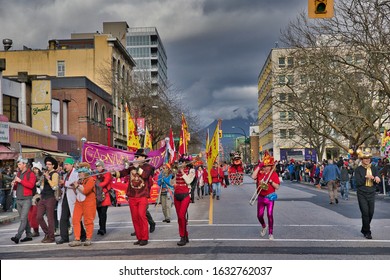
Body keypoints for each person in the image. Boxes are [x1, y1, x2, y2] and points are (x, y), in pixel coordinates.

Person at [114, 148, 155, 246]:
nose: (135, 158)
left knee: (141, 215)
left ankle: (145, 238)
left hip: (142, 195)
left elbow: (145, 176)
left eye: (137, 156)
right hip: (132, 195)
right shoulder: (131, 166)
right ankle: (139, 237)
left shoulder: (148, 167)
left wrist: (137, 167)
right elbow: (122, 173)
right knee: (135, 218)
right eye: (135, 156)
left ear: (143, 158)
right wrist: (114, 173)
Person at [56, 158, 86, 244]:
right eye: (65, 164)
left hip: (73, 197)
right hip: (65, 196)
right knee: (63, 217)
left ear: (72, 165)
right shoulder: (65, 174)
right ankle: (64, 237)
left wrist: (64, 183)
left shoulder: (76, 173)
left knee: (76, 217)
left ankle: (82, 235)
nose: (65, 166)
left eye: (67, 164)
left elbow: (75, 183)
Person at [252, 151, 280, 240]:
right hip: (260, 197)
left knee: (269, 214)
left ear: (271, 166)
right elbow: (253, 177)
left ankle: (271, 233)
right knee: (259, 215)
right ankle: (264, 226)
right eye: (265, 166)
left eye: (268, 166)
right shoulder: (260, 173)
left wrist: (271, 182)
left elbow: (277, 187)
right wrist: (259, 166)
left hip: (269, 197)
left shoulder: (274, 174)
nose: (266, 168)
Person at [69, 162, 97, 247]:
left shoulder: (91, 180)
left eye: (81, 172)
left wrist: (77, 186)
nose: (79, 174)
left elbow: (85, 191)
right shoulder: (79, 180)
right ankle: (77, 238)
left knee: (88, 220)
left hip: (89, 202)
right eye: (79, 172)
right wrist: (74, 186)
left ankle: (88, 238)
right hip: (79, 201)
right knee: (75, 219)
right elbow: (76, 192)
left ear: (85, 172)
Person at [355, 150, 381, 239]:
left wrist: (377, 178)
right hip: (362, 193)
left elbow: (377, 177)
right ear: (362, 159)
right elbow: (358, 183)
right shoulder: (358, 169)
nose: (367, 160)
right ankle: (367, 232)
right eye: (365, 158)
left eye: (368, 158)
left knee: (371, 212)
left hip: (371, 192)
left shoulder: (373, 168)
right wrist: (366, 177)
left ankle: (364, 228)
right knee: (365, 213)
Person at [10, 157, 37, 244]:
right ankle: (29, 235)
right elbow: (16, 187)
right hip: (18, 198)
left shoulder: (31, 174)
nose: (18, 166)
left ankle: (17, 236)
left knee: (23, 218)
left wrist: (20, 181)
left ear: (24, 164)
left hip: (27, 199)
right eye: (18, 164)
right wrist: (13, 184)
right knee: (24, 219)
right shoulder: (18, 173)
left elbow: (31, 185)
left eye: (19, 164)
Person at [37, 156, 59, 243]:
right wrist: (41, 180)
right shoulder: (46, 173)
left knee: (50, 218)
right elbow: (42, 186)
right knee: (38, 217)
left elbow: (54, 186)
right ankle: (47, 233)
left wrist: (48, 178)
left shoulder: (55, 174)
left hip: (51, 197)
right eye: (46, 164)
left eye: (49, 164)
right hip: (43, 197)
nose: (47, 166)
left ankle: (51, 237)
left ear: (53, 165)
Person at [173, 157, 194, 246]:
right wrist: (172, 180)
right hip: (176, 195)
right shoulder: (176, 171)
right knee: (179, 218)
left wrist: (182, 172)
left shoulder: (191, 170)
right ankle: (185, 235)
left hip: (185, 195)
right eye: (180, 162)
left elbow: (189, 180)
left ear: (186, 163)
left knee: (182, 216)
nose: (180, 164)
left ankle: (182, 237)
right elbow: (171, 182)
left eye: (182, 162)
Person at [95, 160, 113, 235]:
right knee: (99, 213)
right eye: (97, 166)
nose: (97, 168)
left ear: (102, 166)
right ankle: (101, 227)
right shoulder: (96, 174)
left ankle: (103, 228)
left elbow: (105, 182)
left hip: (104, 195)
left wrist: (96, 184)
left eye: (99, 166)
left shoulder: (107, 173)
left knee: (103, 213)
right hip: (98, 195)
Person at [29, 162, 43, 237]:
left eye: (36, 169)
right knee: (31, 214)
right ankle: (35, 230)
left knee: (36, 214)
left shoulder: (42, 176)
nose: (35, 170)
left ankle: (51, 230)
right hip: (32, 196)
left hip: (39, 196)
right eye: (34, 169)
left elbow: (40, 185)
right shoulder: (31, 176)